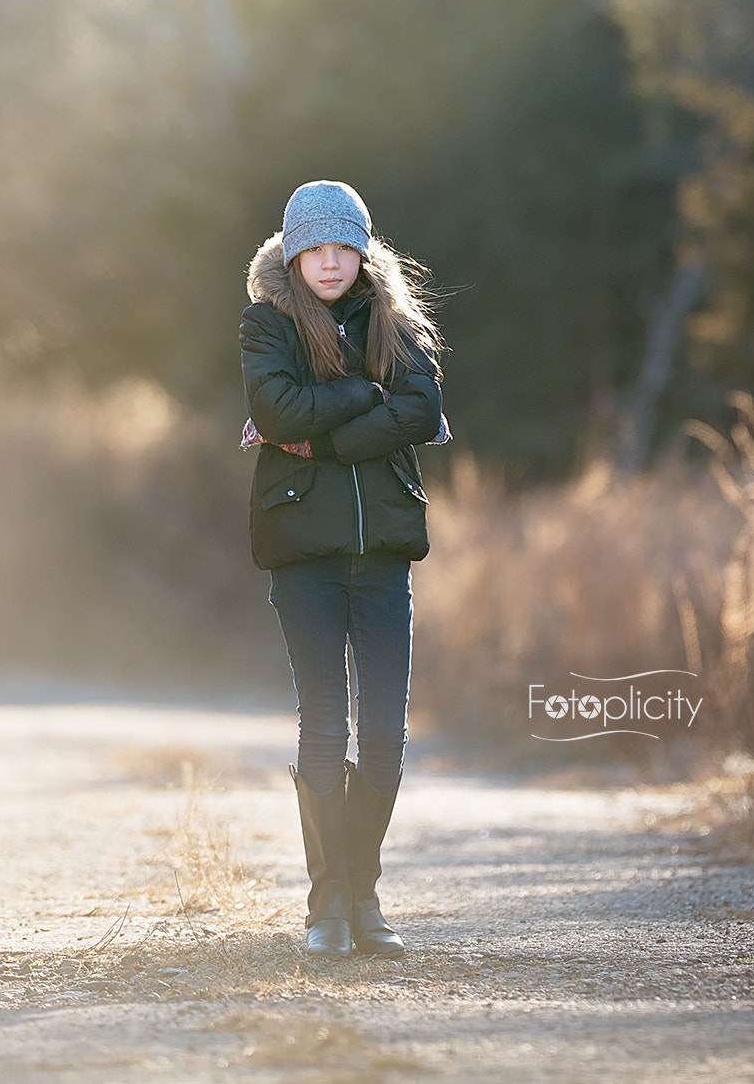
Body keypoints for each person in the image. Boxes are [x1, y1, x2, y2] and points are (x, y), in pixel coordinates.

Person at [238, 180, 446, 958]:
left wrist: (324, 439)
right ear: (294, 254)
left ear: (363, 250)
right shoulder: (267, 322)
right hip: (305, 556)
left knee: (385, 735)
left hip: (385, 553)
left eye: (343, 247)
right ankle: (326, 903)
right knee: (325, 724)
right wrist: (365, 393)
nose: (330, 263)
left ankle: (364, 891)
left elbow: (420, 411)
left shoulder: (396, 320)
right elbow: (279, 408)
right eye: (315, 249)